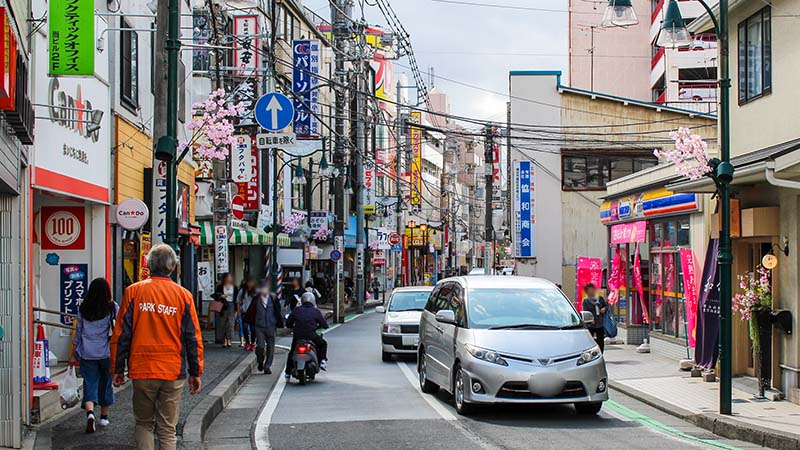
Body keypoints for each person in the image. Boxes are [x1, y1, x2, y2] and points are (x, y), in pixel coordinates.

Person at [111, 244, 204, 450]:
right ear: (172, 268)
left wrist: (117, 368)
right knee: (167, 428)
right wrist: (195, 372)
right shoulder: (183, 296)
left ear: (148, 264)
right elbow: (192, 337)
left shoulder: (133, 292)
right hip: (172, 370)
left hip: (142, 368)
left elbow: (122, 334)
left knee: (144, 423)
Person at [71, 277, 118, 433]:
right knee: (105, 384)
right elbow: (118, 329)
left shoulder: (84, 308)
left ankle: (90, 413)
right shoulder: (112, 307)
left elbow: (78, 333)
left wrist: (73, 352)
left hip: (87, 353)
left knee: (89, 383)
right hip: (106, 353)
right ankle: (104, 417)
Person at [285, 292, 329, 380]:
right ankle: (322, 361)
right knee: (323, 344)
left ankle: (287, 373)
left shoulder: (296, 310)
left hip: (298, 337)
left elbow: (288, 323)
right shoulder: (316, 311)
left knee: (292, 352)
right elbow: (324, 324)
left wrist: (293, 326)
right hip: (311, 336)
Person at [253, 279, 284, 374]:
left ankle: (267, 366)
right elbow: (251, 311)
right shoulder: (256, 299)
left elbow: (278, 311)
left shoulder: (273, 298)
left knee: (271, 347)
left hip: (271, 325)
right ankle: (260, 360)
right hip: (259, 326)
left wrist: (279, 322)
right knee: (260, 346)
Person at [581, 283, 609, 352]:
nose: (592, 291)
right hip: (591, 324)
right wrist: (590, 319)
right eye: (590, 290)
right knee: (590, 341)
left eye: (592, 289)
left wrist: (604, 309)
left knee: (600, 341)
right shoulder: (585, 301)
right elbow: (585, 311)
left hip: (600, 323)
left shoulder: (600, 299)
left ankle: (601, 354)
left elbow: (606, 306)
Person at [213, 273, 238, 348]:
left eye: (230, 277)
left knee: (230, 323)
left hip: (232, 305)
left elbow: (237, 297)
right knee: (222, 322)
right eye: (228, 277)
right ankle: (224, 340)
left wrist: (238, 308)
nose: (229, 278)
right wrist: (221, 296)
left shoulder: (235, 287)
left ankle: (229, 339)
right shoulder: (220, 287)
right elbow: (215, 295)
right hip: (223, 305)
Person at [237, 278, 257, 350]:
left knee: (253, 328)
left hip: (253, 313)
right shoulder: (242, 291)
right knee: (245, 327)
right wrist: (238, 311)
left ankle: (253, 342)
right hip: (244, 312)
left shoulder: (255, 291)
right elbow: (238, 301)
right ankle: (247, 342)